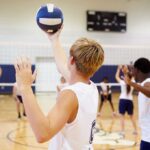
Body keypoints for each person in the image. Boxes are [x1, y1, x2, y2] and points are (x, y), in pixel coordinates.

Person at [14, 28, 104, 149]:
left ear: (71, 60)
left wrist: (25, 87)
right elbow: (63, 66)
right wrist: (54, 39)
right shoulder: (91, 88)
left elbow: (42, 134)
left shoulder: (70, 94)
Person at [123, 58, 150, 150]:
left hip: (148, 137)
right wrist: (126, 72)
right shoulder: (144, 82)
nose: (132, 71)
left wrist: (131, 83)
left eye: (133, 69)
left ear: (137, 70)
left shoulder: (147, 82)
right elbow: (131, 75)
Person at [115, 65, 137, 136]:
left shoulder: (122, 82)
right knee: (132, 116)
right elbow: (132, 76)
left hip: (123, 100)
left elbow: (116, 77)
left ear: (126, 77)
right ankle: (135, 130)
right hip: (130, 100)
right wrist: (129, 69)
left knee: (122, 116)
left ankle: (122, 132)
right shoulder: (133, 82)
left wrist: (118, 69)